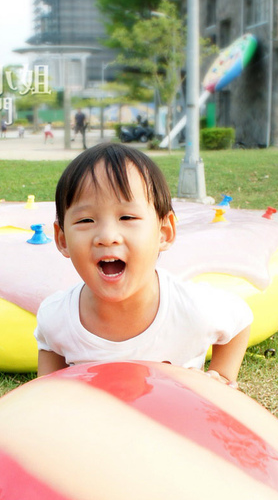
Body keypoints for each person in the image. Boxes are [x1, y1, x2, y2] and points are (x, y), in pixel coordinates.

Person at [35, 141, 253, 379]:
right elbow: (46, 386)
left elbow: (240, 319)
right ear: (62, 239)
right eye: (86, 220)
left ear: (164, 232)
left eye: (127, 217)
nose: (107, 237)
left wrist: (222, 375)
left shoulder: (191, 309)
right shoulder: (56, 317)